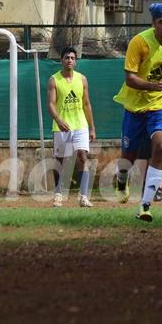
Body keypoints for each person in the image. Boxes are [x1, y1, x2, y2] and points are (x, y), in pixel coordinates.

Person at [113, 2, 162, 222]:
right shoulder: (139, 43)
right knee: (127, 158)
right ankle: (121, 178)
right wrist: (151, 86)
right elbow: (130, 78)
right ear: (153, 24)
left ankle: (145, 205)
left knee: (160, 146)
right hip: (135, 106)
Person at [47, 46, 96, 208]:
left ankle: (83, 197)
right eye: (67, 57)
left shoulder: (82, 79)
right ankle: (58, 194)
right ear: (61, 60)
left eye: (72, 58)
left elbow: (87, 104)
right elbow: (51, 104)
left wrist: (92, 127)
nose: (69, 60)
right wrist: (58, 120)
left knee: (83, 156)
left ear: (76, 62)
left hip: (80, 124)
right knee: (61, 160)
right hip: (62, 126)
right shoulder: (54, 80)